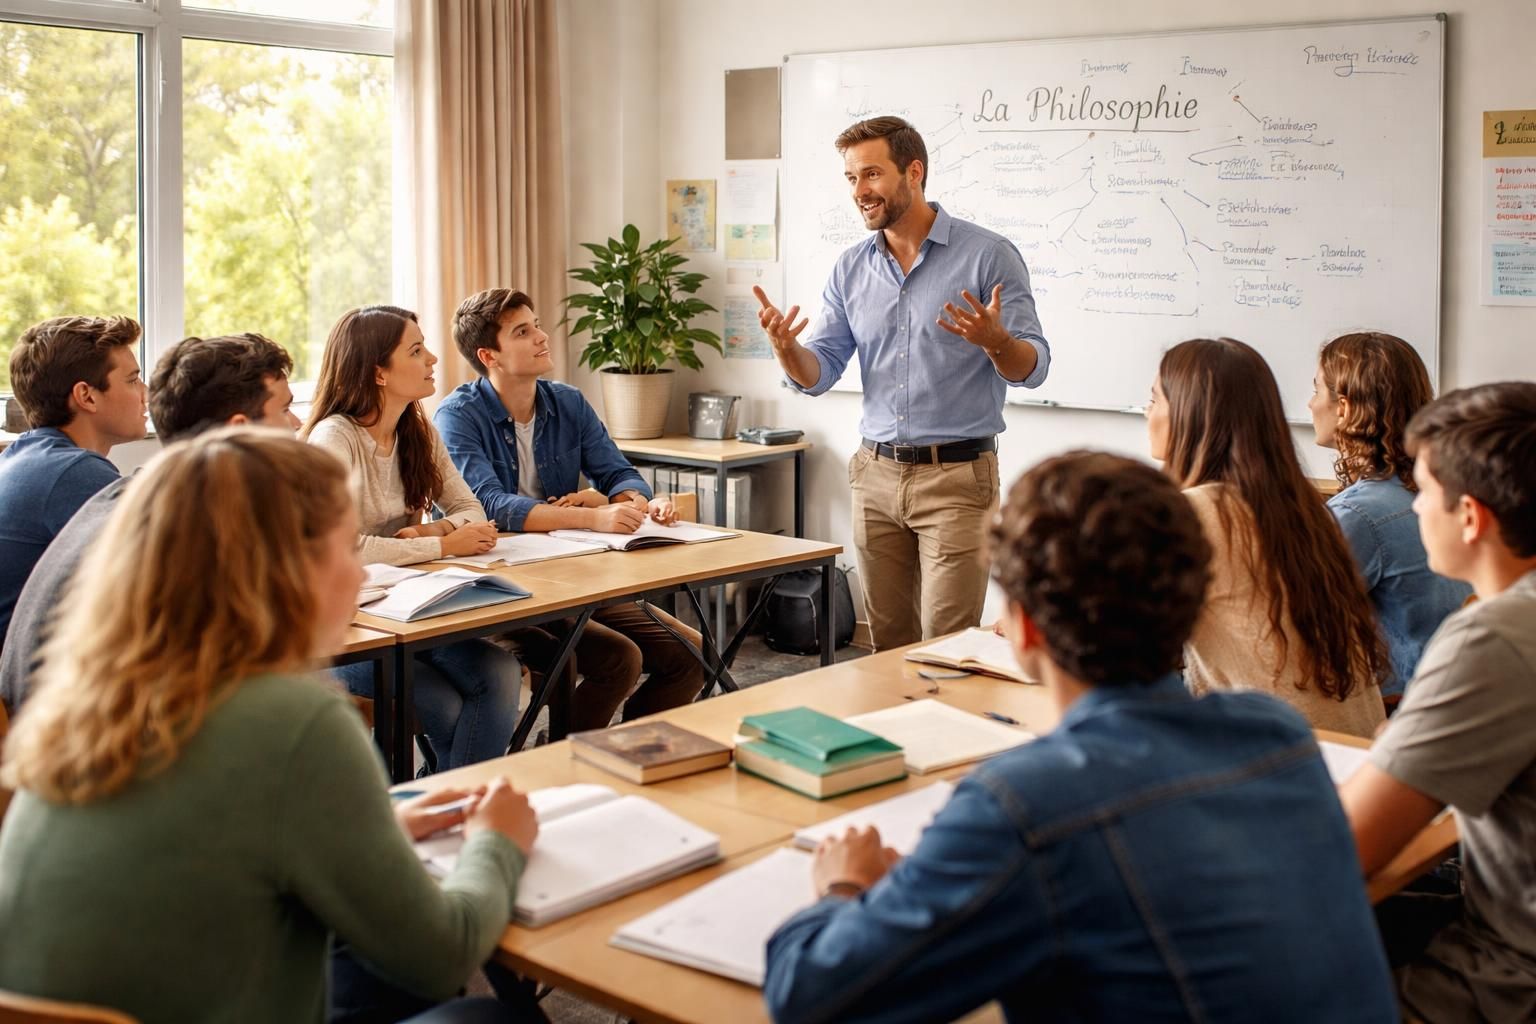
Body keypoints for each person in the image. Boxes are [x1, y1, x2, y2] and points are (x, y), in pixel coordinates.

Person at [762, 451, 1396, 1023]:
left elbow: (810, 996)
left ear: (1023, 628)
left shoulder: (1021, 804)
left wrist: (843, 886)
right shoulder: (1278, 734)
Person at [0, 429, 538, 1023]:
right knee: (486, 1018)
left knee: (374, 960)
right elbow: (443, 955)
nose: (359, 576)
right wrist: (498, 840)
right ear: (283, 569)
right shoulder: (296, 718)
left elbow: (205, 839)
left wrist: (362, 830)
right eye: (343, 550)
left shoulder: (95, 690)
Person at [754, 115, 1049, 651]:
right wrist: (787, 351)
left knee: (948, 646)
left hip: (957, 479)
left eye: (872, 174)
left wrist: (996, 341)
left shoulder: (988, 255)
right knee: (886, 647)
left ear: (914, 172)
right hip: (875, 476)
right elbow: (819, 372)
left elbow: (1034, 367)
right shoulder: (851, 268)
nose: (860, 191)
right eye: (851, 179)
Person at [1340, 382, 1536, 1023]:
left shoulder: (1495, 639)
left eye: (1422, 490)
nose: (1414, 506)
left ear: (1471, 516)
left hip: (1506, 978)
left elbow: (1351, 845)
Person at [434, 287, 704, 731]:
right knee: (618, 658)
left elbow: (618, 472)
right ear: (490, 355)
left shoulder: (567, 402)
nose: (542, 336)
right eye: (523, 331)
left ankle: (631, 757)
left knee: (690, 653)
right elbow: (488, 507)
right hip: (496, 587)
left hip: (572, 575)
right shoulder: (458, 415)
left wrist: (636, 501)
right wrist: (591, 516)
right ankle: (563, 764)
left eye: (537, 324)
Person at [0, 332, 299, 713]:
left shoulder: (121, 487)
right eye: (285, 409)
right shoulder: (139, 504)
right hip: (65, 732)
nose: (297, 423)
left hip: (49, 724)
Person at [305, 305, 520, 770]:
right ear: (378, 373)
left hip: (409, 611)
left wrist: (435, 527)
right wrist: (441, 545)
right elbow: (340, 548)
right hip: (345, 630)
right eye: (417, 350)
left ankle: (440, 805)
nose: (433, 360)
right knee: (444, 706)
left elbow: (471, 510)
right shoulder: (334, 440)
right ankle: (444, 810)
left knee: (501, 671)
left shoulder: (416, 430)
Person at [1146, 337, 1388, 737]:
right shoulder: (1302, 508)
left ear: (1190, 415)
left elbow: (1111, 633)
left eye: (1155, 400)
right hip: (1350, 754)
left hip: (1277, 762)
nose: (1146, 412)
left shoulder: (1197, 515)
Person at [1308, 331, 1471, 701]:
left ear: (1345, 408)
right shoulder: (1447, 490)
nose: (1310, 404)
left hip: (1398, 709)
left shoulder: (1357, 514)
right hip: (1459, 693)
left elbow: (1302, 620)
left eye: (1316, 390)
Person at [0, 315, 145, 649]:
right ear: (87, 396)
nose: (146, 393)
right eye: (133, 380)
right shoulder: (73, 473)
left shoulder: (28, 455)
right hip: (27, 696)